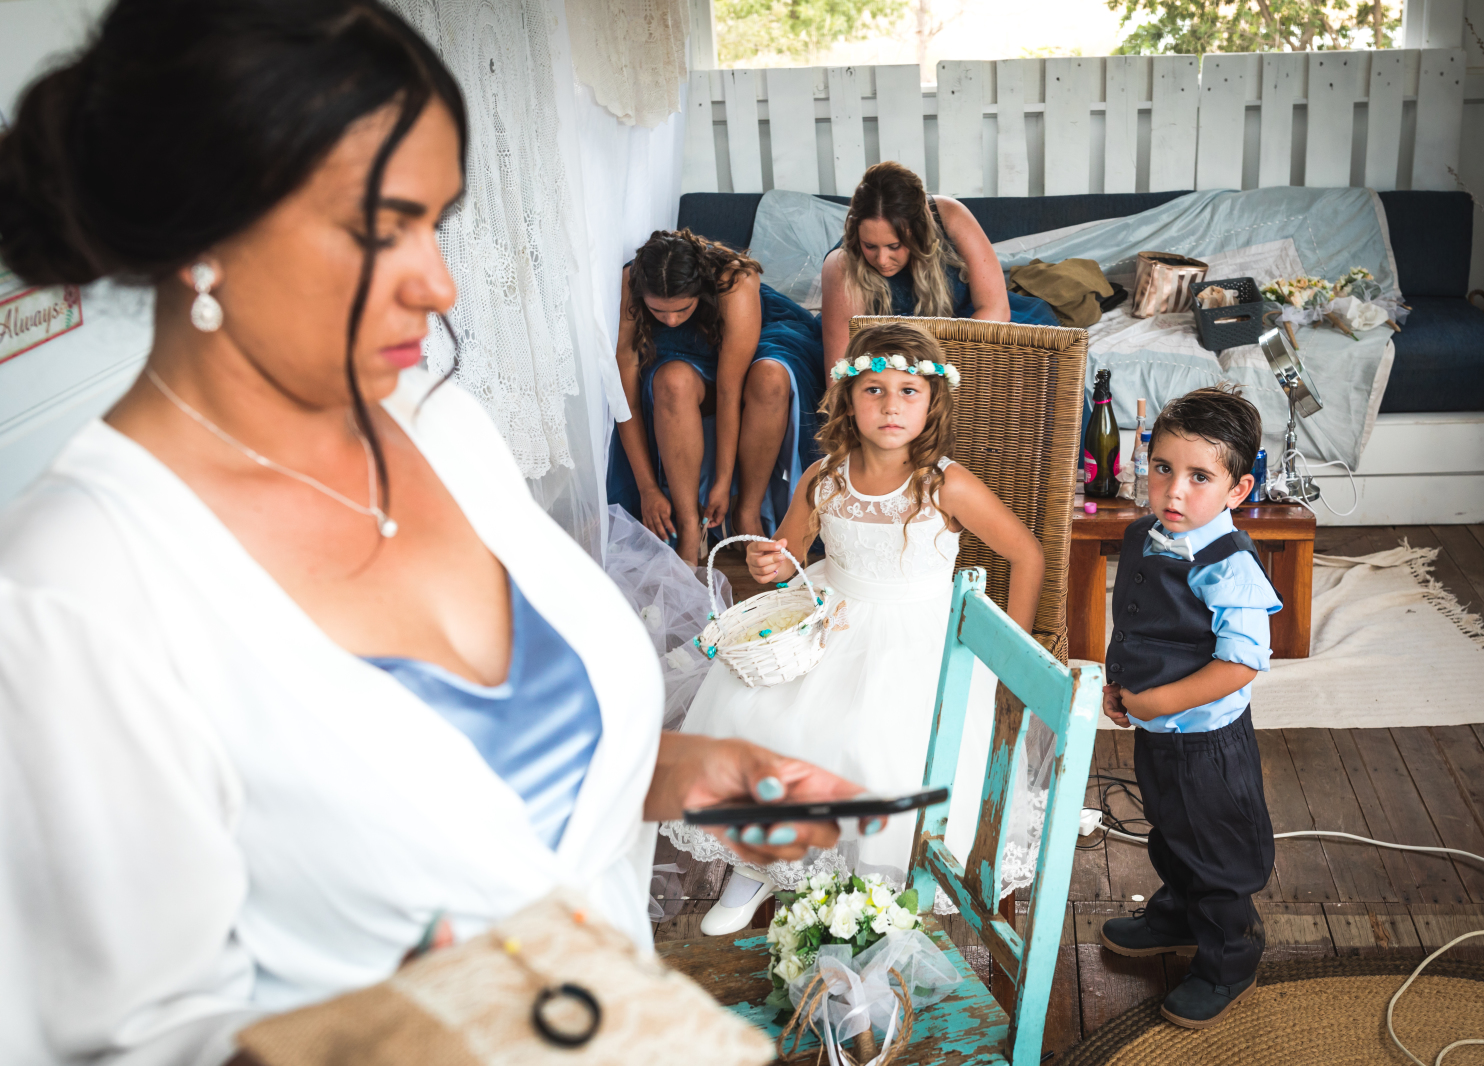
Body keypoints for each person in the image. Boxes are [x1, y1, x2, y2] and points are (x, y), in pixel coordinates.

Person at [0, 4, 869, 1063]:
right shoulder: (75, 589)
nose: (440, 284)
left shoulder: (440, 426)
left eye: (436, 222)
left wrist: (674, 769)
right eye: (380, 228)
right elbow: (129, 1039)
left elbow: (498, 791)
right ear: (202, 234)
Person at [665, 322, 1048, 935]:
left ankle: (877, 883)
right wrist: (768, 561)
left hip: (917, 637)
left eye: (908, 391)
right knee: (763, 715)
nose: (891, 406)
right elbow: (788, 552)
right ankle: (758, 860)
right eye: (874, 390)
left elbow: (1026, 554)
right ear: (848, 399)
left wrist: (1011, 653)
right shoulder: (825, 477)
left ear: (932, 403)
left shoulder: (944, 483)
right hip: (830, 618)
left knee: (874, 744)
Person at [1096, 385, 1282, 1029]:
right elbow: (1141, 623)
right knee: (1172, 832)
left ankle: (1230, 957)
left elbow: (1241, 663)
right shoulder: (1145, 535)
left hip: (1208, 744)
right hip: (1159, 731)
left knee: (1216, 852)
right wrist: (1120, 684)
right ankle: (1177, 915)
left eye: (1199, 477)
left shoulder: (1230, 567)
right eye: (1162, 468)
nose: (1173, 491)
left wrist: (1160, 699)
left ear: (1238, 490)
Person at [608, 231, 825, 563]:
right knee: (671, 381)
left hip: (749, 341)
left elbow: (728, 391)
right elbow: (626, 397)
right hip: (676, 356)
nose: (670, 320)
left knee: (770, 379)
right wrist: (647, 488)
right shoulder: (631, 280)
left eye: (682, 309)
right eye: (658, 311)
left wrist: (723, 482)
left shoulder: (733, 281)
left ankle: (747, 511)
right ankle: (689, 525)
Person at [818, 160, 1058, 370]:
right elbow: (840, 369)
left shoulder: (950, 214)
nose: (882, 260)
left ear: (920, 231)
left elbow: (994, 307)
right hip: (886, 359)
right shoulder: (841, 264)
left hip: (970, 334)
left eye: (894, 246)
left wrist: (941, 367)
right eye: (870, 246)